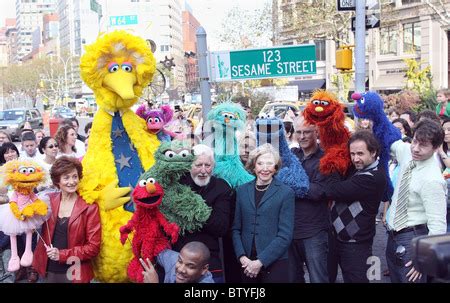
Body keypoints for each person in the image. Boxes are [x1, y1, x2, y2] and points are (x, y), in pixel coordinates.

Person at [385, 118, 447, 283]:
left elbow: (438, 226)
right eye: (415, 142)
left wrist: (423, 260)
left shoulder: (433, 179)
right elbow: (388, 138)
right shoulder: (407, 151)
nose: (416, 148)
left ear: (435, 148)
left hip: (413, 239)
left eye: (423, 145)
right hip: (392, 236)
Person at [326, 130, 387, 283]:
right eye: (352, 154)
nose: (355, 159)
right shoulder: (360, 169)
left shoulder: (373, 177)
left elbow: (333, 190)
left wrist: (331, 163)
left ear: (373, 152)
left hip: (356, 244)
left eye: (360, 153)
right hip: (339, 239)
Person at [33, 156, 101, 283]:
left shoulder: (89, 207)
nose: (72, 181)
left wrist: (62, 255)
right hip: (48, 269)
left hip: (75, 271)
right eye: (66, 177)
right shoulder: (48, 200)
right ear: (57, 181)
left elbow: (93, 247)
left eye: (75, 176)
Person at [232, 143, 294, 283]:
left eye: (269, 164)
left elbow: (285, 235)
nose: (265, 168)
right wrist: (242, 257)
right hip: (246, 263)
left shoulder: (286, 193)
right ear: (254, 166)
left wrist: (260, 262)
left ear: (275, 167)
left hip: (275, 262)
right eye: (260, 163)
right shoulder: (242, 191)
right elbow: (236, 228)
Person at [175, 144, 233, 283]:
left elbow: (221, 227)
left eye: (207, 165)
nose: (203, 171)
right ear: (189, 165)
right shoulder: (178, 184)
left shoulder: (221, 187)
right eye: (198, 165)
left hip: (210, 261)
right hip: (179, 258)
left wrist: (194, 207)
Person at [289, 116, 335, 283]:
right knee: (292, 279)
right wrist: (303, 185)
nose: (302, 136)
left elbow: (318, 192)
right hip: (289, 231)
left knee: (318, 279)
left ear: (316, 133)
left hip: (314, 231)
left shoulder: (326, 159)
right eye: (298, 132)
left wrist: (291, 182)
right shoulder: (291, 156)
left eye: (306, 132)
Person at [141, 241, 214, 283]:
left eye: (190, 266)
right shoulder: (174, 259)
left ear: (204, 269)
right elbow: (155, 248)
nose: (180, 269)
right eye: (180, 261)